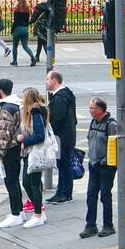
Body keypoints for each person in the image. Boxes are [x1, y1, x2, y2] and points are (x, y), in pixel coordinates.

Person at [80, 97, 119, 238]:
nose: (90, 110)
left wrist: (104, 161)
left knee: (105, 195)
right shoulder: (93, 121)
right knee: (91, 195)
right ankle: (90, 225)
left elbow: (115, 147)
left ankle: (108, 226)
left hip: (106, 167)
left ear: (100, 110)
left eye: (92, 108)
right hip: (93, 164)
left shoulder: (111, 125)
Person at [0, 79, 26, 228]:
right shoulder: (16, 105)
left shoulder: (6, 108)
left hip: (10, 149)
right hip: (17, 147)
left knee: (10, 181)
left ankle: (16, 214)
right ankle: (20, 210)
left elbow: (5, 134)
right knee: (15, 181)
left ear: (0, 90)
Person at [17, 87, 50, 228]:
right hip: (29, 153)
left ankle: (38, 215)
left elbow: (40, 136)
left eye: (23, 97)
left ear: (28, 98)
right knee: (26, 182)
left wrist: (24, 140)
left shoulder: (36, 112)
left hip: (35, 153)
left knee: (34, 184)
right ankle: (39, 211)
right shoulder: (31, 111)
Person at [45, 70, 77, 204]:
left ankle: (65, 193)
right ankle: (61, 191)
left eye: (47, 79)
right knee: (63, 164)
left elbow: (58, 119)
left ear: (54, 81)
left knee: (64, 165)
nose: (46, 82)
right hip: (66, 136)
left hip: (61, 137)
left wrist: (49, 134)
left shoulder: (59, 98)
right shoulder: (65, 94)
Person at [10, 0, 36, 66]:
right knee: (25, 46)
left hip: (18, 29)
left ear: (18, 2)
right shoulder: (27, 11)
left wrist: (12, 30)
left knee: (15, 46)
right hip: (25, 29)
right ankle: (33, 58)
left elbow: (15, 22)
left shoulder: (17, 11)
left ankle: (15, 61)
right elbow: (28, 20)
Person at [29, 0, 52, 66]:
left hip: (40, 25)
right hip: (47, 25)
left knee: (43, 42)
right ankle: (37, 56)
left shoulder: (39, 7)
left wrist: (30, 21)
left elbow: (34, 17)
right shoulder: (50, 6)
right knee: (41, 41)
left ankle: (48, 57)